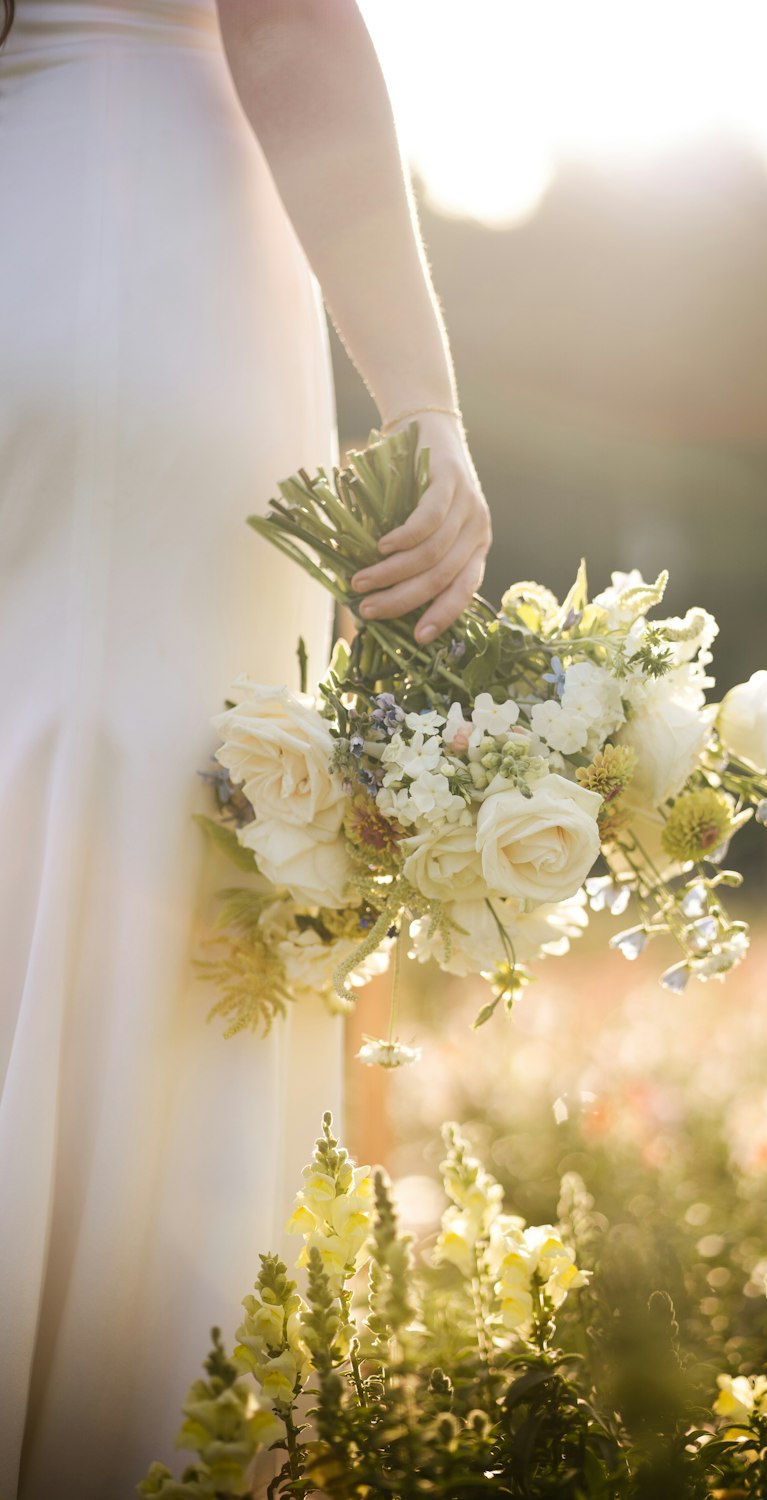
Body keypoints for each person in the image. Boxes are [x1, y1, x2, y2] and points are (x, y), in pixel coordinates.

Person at [0, 1, 491, 1493]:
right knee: (187, 817)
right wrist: (427, 406)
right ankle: (134, 1421)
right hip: (167, 242)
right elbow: (283, 20)